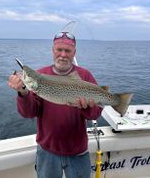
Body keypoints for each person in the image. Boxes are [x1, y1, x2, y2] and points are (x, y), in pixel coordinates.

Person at [8, 31, 102, 178]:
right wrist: (23, 93)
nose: (63, 54)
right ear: (53, 51)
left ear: (74, 53)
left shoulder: (85, 76)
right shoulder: (40, 75)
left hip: (77, 151)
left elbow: (95, 114)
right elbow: (29, 113)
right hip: (47, 150)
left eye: (67, 51)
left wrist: (87, 108)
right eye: (59, 50)